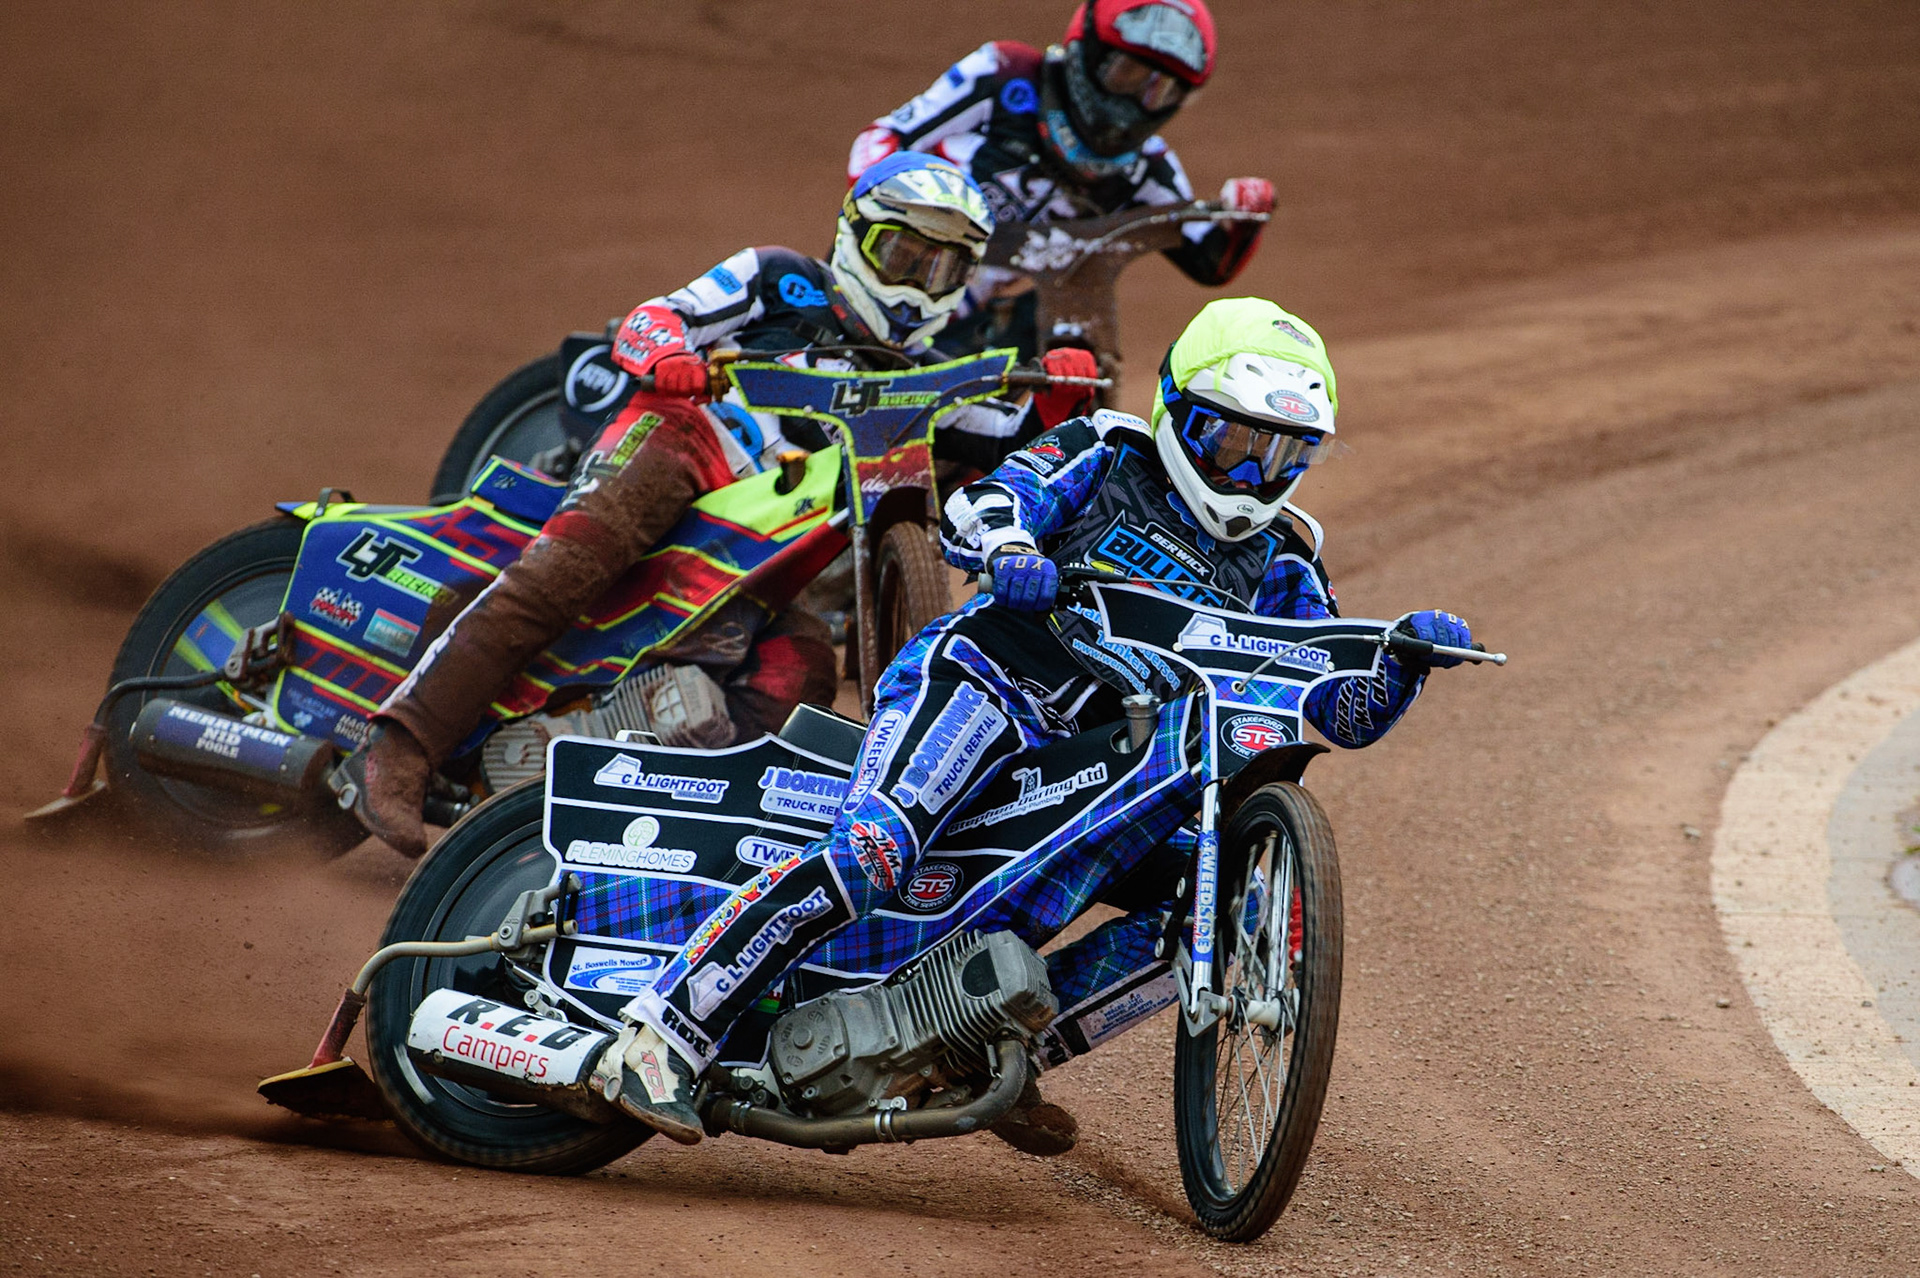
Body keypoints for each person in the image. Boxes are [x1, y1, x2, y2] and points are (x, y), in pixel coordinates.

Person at [601, 297, 1476, 1152]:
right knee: (874, 848)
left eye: (1282, 452)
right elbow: (985, 501)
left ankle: (993, 1049)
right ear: (1179, 409)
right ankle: (662, 1034)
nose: (1253, 473)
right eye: (1236, 442)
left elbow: (1333, 704)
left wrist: (1400, 667)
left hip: (1105, 764)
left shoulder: (1288, 553)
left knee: (1205, 912)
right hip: (987, 682)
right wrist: (1012, 549)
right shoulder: (1107, 449)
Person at [350, 152, 1102, 857]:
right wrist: (669, 357)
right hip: (689, 442)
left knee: (800, 672)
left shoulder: (931, 376)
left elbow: (1011, 439)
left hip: (770, 543)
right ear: (855, 236)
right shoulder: (778, 278)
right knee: (565, 572)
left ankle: (609, 798)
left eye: (943, 269)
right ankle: (401, 746)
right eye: (904, 256)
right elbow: (658, 316)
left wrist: (1062, 392)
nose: (917, 285)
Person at [849, 0, 1274, 360]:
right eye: (1127, 73)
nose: (1134, 104)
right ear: (1089, 48)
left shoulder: (1146, 166)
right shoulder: (1003, 76)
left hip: (982, 340)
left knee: (1069, 360)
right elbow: (880, 139)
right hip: (882, 296)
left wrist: (1245, 215)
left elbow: (1210, 261)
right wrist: (903, 206)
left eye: (1158, 90)